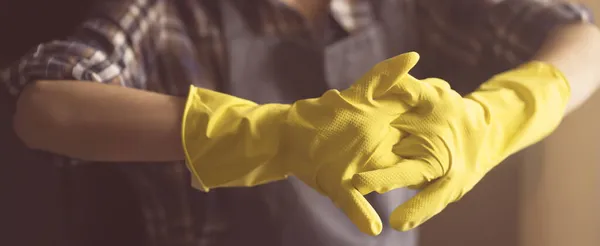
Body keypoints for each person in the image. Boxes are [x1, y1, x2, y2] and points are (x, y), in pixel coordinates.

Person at [4, 0, 600, 245]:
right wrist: (271, 135)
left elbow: (584, 40)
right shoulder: (170, 13)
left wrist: (493, 119)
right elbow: (43, 108)